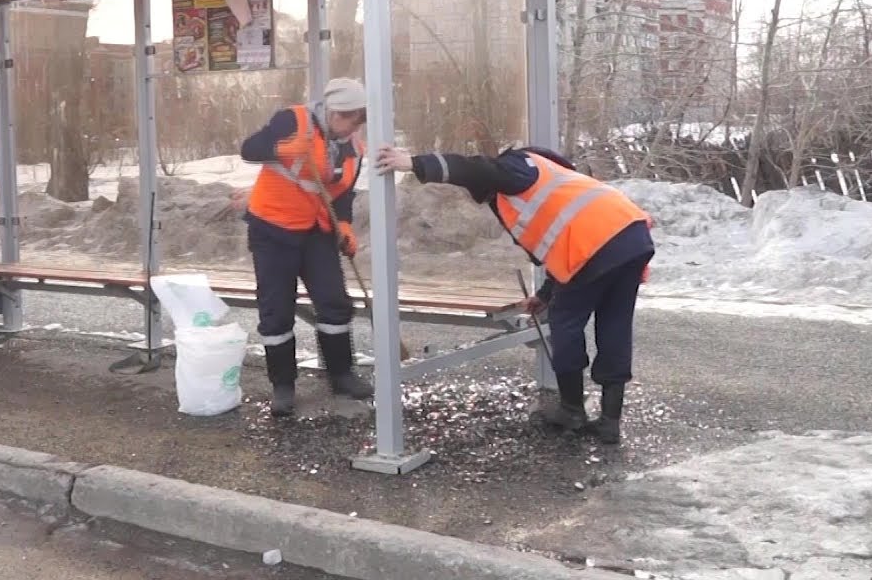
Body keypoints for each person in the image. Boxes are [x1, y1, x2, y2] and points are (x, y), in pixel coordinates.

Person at [374, 143, 653, 444]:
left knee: (565, 323)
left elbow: (475, 167)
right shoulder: (554, 177)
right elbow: (561, 246)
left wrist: (414, 162)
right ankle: (610, 422)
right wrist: (546, 294)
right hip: (632, 236)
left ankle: (572, 410)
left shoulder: (517, 166)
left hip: (595, 246)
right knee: (615, 325)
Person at [240, 78, 374, 416]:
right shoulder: (291, 120)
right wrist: (281, 149)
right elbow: (249, 149)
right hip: (272, 230)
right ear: (331, 111)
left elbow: (342, 193)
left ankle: (341, 373)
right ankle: (283, 385)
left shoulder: (353, 148)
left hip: (316, 231)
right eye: (348, 117)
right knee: (276, 309)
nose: (352, 126)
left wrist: (343, 225)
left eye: (359, 119)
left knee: (334, 302)